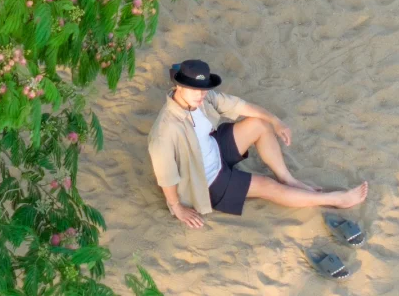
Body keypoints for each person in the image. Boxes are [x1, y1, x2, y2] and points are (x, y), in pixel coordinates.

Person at [147, 57, 368, 229]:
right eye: (195, 89)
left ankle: (288, 178)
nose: (201, 94)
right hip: (208, 180)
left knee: (259, 124)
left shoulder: (201, 99)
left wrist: (275, 120)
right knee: (268, 186)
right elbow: (166, 175)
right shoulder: (166, 130)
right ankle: (335, 199)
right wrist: (177, 207)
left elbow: (241, 106)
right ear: (179, 86)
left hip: (214, 148)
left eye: (203, 88)